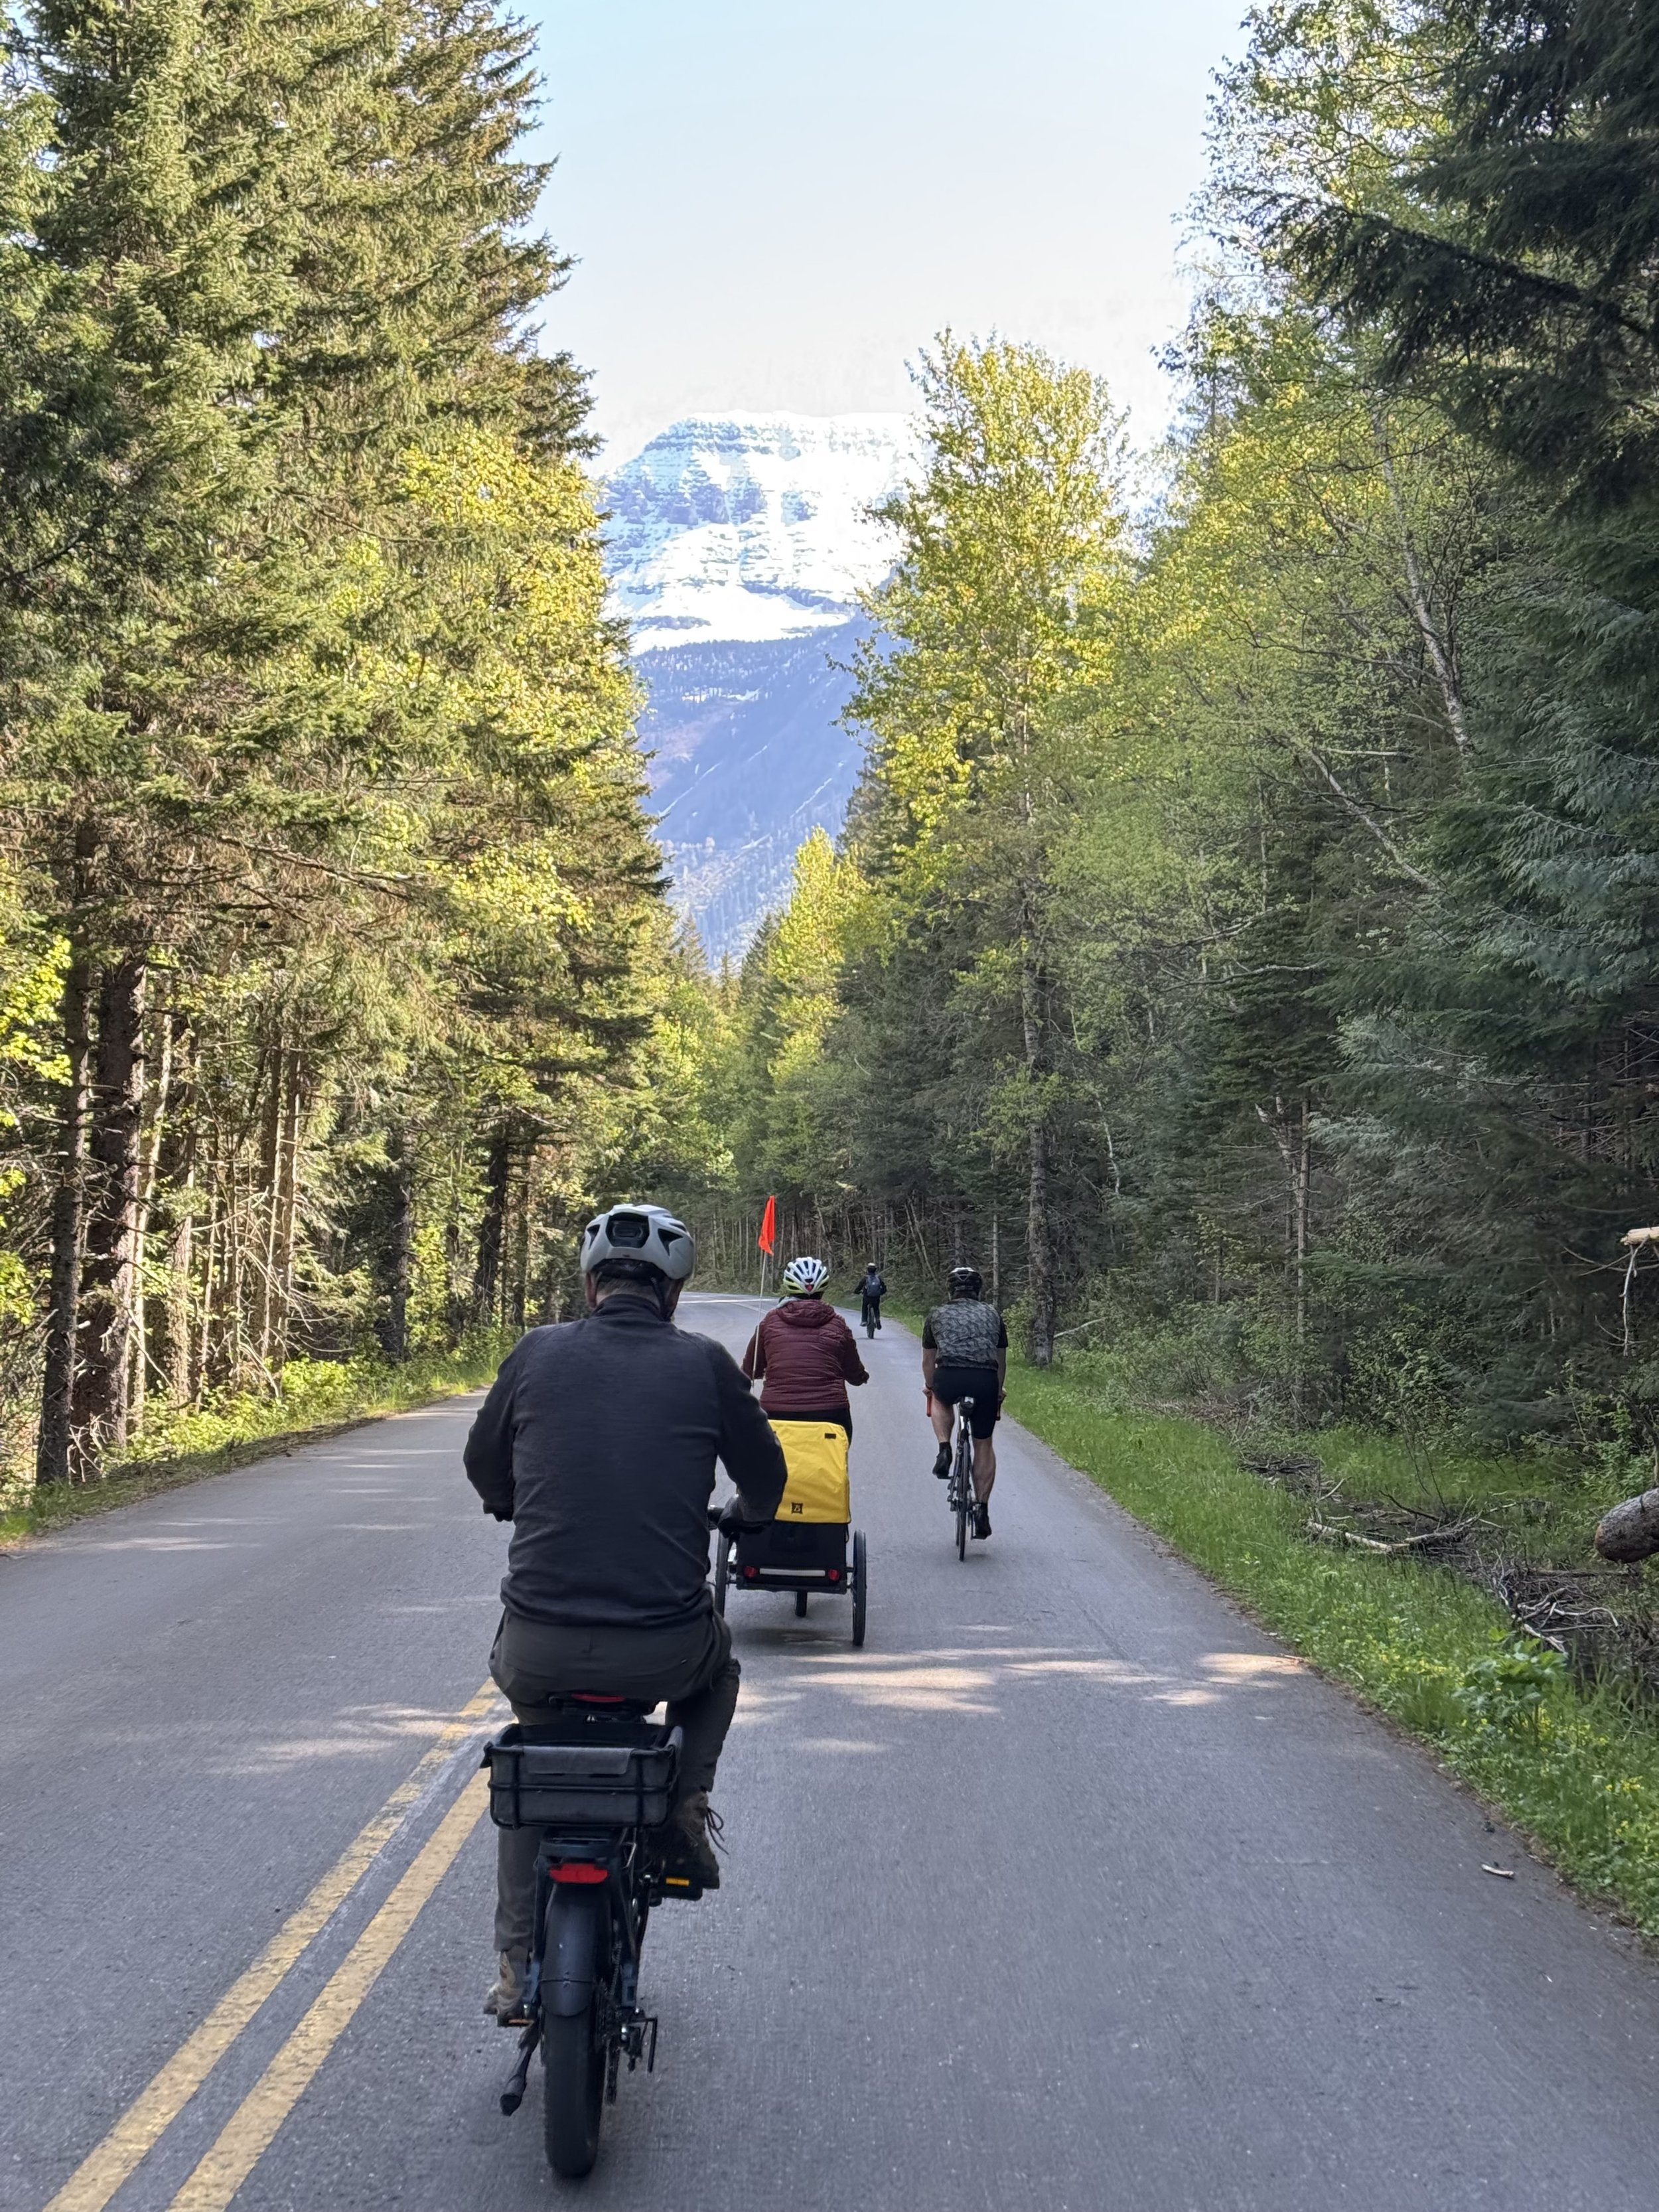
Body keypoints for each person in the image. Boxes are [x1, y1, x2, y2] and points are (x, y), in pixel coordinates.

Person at [464, 1202, 786, 2024]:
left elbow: (482, 1460)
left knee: (531, 1766)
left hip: (539, 1649)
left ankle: (514, 1970)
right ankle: (682, 1805)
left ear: (589, 1282)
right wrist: (747, 1515)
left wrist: (507, 1499)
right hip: (665, 1649)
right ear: (673, 1292)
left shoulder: (536, 1353)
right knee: (718, 1676)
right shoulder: (707, 1365)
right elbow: (767, 1475)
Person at [922, 1265, 1007, 1540]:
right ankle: (982, 1509)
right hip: (985, 1380)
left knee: (940, 1398)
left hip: (950, 1375)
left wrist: (930, 1387)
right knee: (984, 1444)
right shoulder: (993, 1314)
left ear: (951, 1290)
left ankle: (944, 1448)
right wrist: (998, 1390)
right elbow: (1000, 1360)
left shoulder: (937, 1314)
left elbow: (928, 1360)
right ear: (978, 1290)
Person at [741, 1254, 869, 1432]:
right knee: (835, 1457)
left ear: (788, 1288)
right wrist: (862, 1377)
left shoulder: (770, 1322)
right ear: (823, 1290)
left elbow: (750, 1369)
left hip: (777, 1413)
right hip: (831, 1414)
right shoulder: (838, 1325)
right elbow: (854, 1373)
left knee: (770, 1459)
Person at [859, 1260, 887, 1333]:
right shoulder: (879, 1278)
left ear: (868, 1270)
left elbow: (859, 1287)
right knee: (876, 1308)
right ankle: (877, 1319)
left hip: (867, 1297)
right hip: (876, 1298)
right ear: (875, 1270)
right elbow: (884, 1288)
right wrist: (881, 1293)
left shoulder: (865, 1278)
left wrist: (857, 1292)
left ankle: (864, 1320)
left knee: (864, 1306)